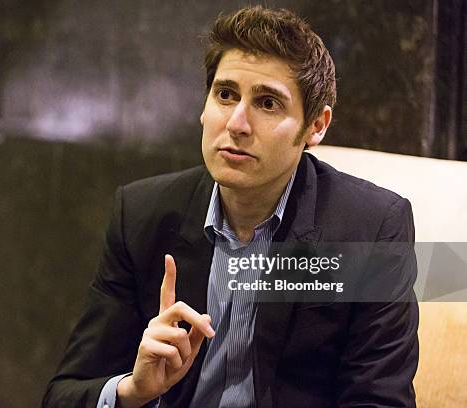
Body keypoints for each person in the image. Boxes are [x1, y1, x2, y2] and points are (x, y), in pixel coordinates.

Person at [43, 6, 418, 408]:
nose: (237, 123)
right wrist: (134, 390)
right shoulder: (141, 214)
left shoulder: (371, 228)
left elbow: (379, 400)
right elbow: (65, 394)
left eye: (268, 103)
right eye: (225, 95)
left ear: (316, 126)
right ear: (204, 107)